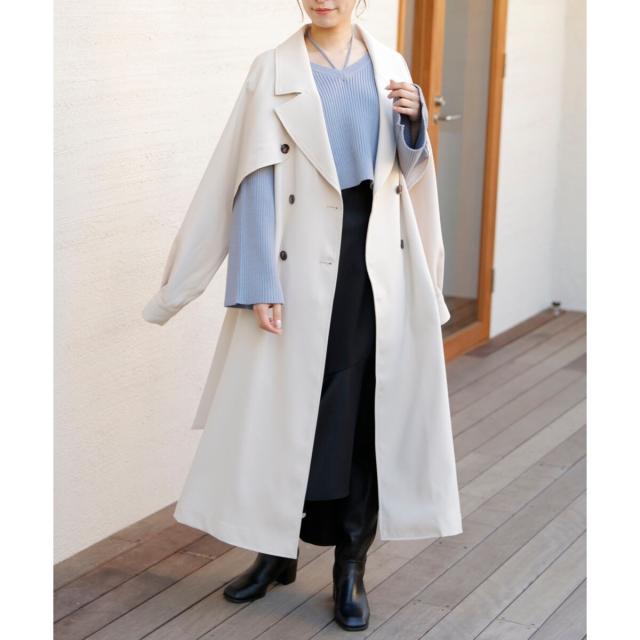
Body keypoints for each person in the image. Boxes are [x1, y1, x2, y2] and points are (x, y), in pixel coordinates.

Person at [219, 1, 429, 631]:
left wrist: (415, 124)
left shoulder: (389, 65)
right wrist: (258, 279)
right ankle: (274, 550)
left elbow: (407, 172)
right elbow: (254, 175)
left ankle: (350, 566)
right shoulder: (272, 67)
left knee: (361, 405)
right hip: (299, 251)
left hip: (371, 254)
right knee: (287, 405)